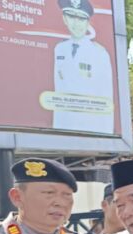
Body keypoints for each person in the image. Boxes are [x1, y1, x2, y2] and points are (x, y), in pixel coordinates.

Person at [53, 0, 114, 134]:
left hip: (90, 127)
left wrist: (107, 135)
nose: (76, 24)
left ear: (87, 22)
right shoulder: (59, 49)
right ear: (64, 19)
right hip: (63, 126)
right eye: (71, 17)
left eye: (81, 19)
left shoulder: (100, 53)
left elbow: (106, 95)